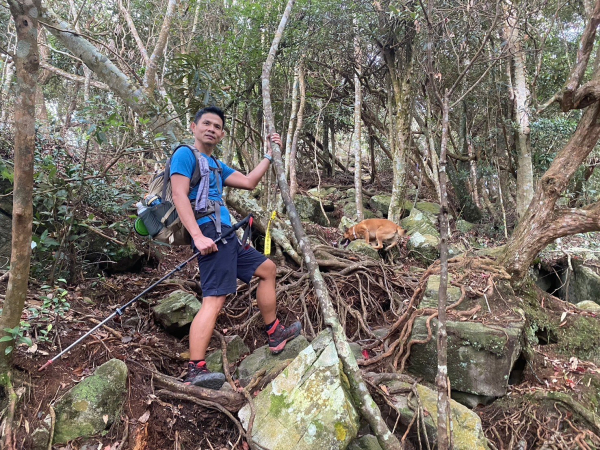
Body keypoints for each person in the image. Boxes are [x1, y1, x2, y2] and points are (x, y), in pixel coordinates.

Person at [170, 106, 302, 389]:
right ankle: (196, 369)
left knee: (267, 269)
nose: (211, 129)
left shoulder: (216, 164)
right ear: (193, 127)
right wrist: (197, 236)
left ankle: (275, 332)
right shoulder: (184, 155)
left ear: (222, 134)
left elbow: (249, 181)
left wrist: (269, 154)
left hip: (228, 234)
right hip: (210, 234)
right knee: (214, 299)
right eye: (206, 123)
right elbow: (179, 194)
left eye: (217, 127)